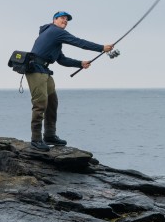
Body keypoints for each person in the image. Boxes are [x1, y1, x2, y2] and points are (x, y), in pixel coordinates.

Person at [26, 11, 113, 151]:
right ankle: (36, 140)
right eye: (62, 18)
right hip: (35, 70)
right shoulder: (55, 31)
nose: (65, 21)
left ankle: (49, 135)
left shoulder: (53, 35)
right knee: (40, 105)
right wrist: (101, 48)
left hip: (44, 71)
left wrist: (80, 64)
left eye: (67, 20)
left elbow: (61, 59)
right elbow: (79, 42)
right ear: (54, 20)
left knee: (52, 102)